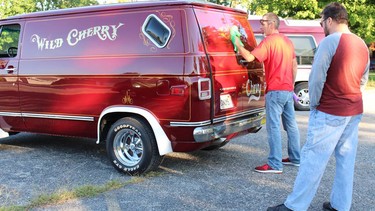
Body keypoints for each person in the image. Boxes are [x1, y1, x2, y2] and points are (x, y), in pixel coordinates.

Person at [267, 2, 370, 211]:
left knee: (313, 159)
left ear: (330, 20)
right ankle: (340, 206)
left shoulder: (330, 41)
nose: (322, 24)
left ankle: (295, 206)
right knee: (345, 160)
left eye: (322, 21)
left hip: (330, 111)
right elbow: (363, 80)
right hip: (354, 110)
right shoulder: (361, 44)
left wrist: (314, 105)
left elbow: (316, 77)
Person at [231, 12, 300, 173]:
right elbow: (294, 65)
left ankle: (275, 164)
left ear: (271, 23)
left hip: (275, 91)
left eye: (262, 23)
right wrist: (290, 84)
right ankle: (296, 158)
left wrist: (237, 42)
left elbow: (249, 58)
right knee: (291, 126)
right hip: (287, 90)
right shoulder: (287, 41)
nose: (260, 26)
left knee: (274, 127)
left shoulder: (269, 41)